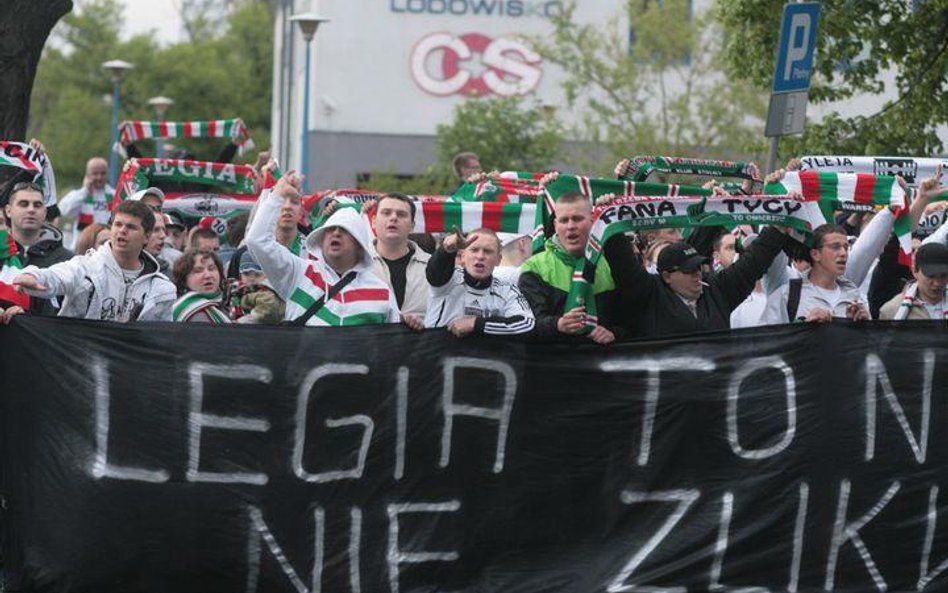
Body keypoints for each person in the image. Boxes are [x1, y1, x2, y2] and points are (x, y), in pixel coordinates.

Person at [245, 172, 401, 326]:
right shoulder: (299, 273)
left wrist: (410, 325)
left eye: (345, 230)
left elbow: (395, 343)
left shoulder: (381, 291)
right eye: (330, 229)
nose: (336, 233)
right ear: (321, 238)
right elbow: (257, 241)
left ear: (359, 245)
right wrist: (278, 193)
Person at [604, 219, 788, 338]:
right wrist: (610, 221)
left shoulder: (716, 290)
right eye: (688, 270)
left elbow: (753, 262)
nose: (697, 274)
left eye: (698, 267)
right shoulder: (650, 294)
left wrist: (780, 223)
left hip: (715, 394)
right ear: (667, 276)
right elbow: (623, 264)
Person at [13, 200, 176, 322]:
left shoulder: (162, 289)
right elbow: (58, 275)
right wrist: (33, 276)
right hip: (78, 362)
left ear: (146, 236)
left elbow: (161, 340)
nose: (122, 231)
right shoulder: (86, 268)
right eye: (117, 224)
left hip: (130, 366)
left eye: (131, 227)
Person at [519, 192, 624, 344]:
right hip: (555, 362)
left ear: (593, 221)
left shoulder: (612, 263)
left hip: (604, 360)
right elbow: (526, 325)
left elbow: (631, 318)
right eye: (564, 220)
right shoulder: (535, 267)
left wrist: (613, 333)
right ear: (555, 226)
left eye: (577, 219)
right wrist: (558, 325)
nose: (570, 226)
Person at [425, 227, 534, 338]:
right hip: (439, 351)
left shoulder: (508, 291)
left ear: (498, 259)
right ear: (463, 256)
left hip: (486, 354)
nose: (480, 256)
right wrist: (446, 249)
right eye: (474, 250)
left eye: (488, 251)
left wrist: (476, 324)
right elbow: (434, 272)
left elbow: (527, 323)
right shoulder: (448, 279)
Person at [760, 224, 869, 324]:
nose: (843, 253)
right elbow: (767, 340)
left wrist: (864, 324)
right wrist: (805, 325)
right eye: (835, 247)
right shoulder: (788, 295)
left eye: (846, 247)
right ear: (815, 254)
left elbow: (871, 343)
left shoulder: (855, 296)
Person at [3, 181, 74, 315]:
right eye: (23, 204)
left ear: (45, 212)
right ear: (8, 211)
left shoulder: (67, 260)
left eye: (37, 205)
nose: (31, 209)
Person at [371, 193, 430, 327]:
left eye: (401, 214)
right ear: (373, 221)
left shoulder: (432, 267)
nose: (393, 218)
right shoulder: (357, 264)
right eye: (386, 213)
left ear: (412, 225)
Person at [879, 242, 948, 320]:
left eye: (943, 276)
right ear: (915, 271)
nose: (937, 283)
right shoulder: (892, 310)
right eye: (931, 276)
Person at [57, 157, 112, 249]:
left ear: (107, 173)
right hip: (83, 247)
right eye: (95, 173)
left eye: (102, 173)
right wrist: (85, 190)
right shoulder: (80, 194)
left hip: (106, 246)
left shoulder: (114, 194)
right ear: (88, 175)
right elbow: (64, 210)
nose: (99, 177)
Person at [171, 249, 231, 323]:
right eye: (198, 271)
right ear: (184, 279)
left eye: (211, 269)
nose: (208, 275)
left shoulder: (228, 302)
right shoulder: (193, 312)